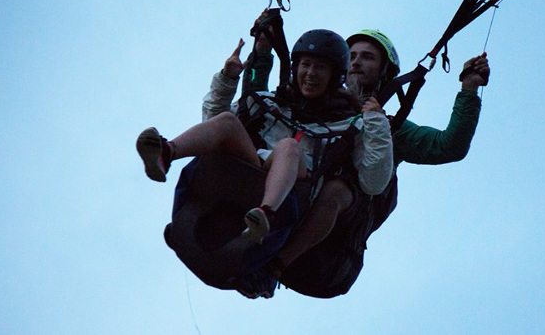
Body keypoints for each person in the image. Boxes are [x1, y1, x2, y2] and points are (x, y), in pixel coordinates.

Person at [235, 22, 489, 298]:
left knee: (336, 188)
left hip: (333, 243)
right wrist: (263, 51)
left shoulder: (388, 127)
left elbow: (449, 146)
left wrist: (469, 89)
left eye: (367, 57)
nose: (356, 63)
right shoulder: (308, 104)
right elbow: (256, 108)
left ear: (384, 72)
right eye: (352, 56)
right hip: (287, 200)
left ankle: (274, 268)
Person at [138, 29, 393, 298]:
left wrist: (377, 124)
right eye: (305, 65)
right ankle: (166, 153)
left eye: (320, 68)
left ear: (335, 76)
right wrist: (227, 78)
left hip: (296, 185)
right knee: (228, 122)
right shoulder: (270, 102)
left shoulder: (351, 125)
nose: (310, 73)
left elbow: (373, 182)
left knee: (288, 147)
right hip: (253, 167)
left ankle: (265, 213)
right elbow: (211, 126)